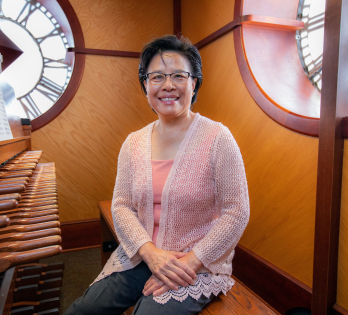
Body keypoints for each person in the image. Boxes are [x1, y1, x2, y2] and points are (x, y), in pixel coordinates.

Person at [63, 35, 250, 315]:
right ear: (145, 85)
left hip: (196, 263)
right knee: (83, 311)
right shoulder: (133, 142)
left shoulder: (218, 138)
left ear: (194, 83)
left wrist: (189, 263)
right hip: (142, 254)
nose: (168, 85)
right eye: (157, 77)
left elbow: (236, 212)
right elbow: (122, 205)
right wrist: (150, 254)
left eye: (178, 75)